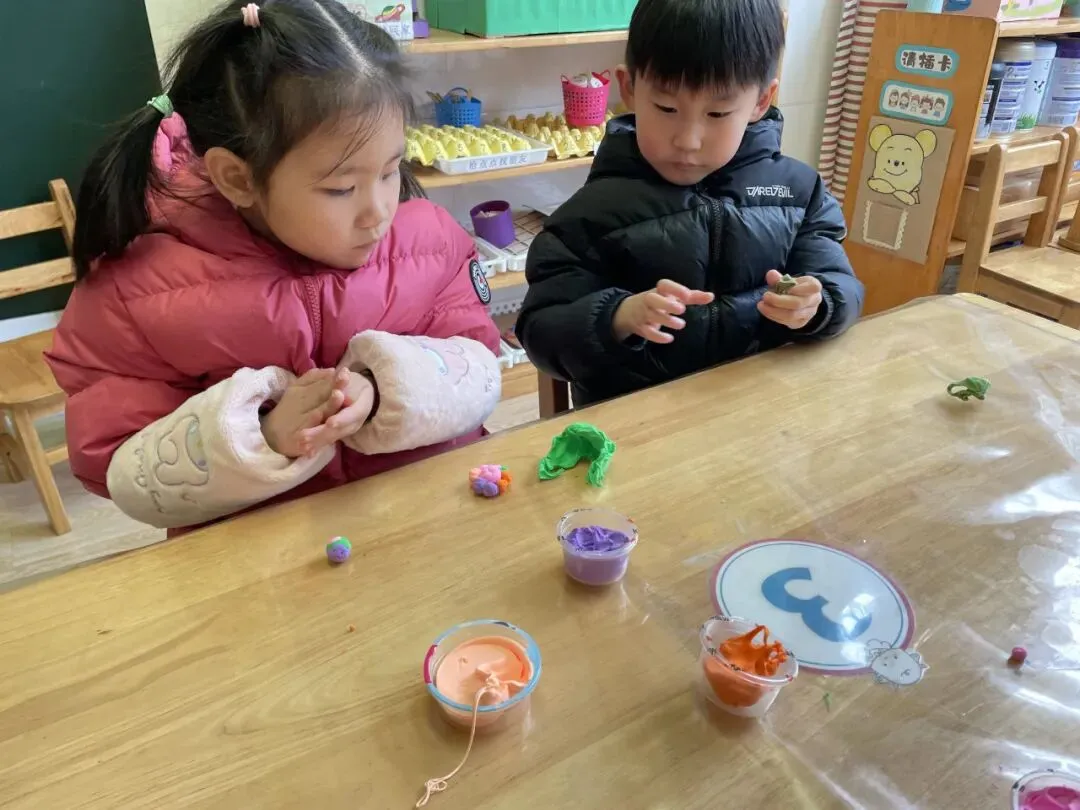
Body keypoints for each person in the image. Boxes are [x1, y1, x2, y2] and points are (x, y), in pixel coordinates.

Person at [46, 0, 501, 532]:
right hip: (264, 563)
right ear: (238, 179)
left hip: (425, 532)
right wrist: (260, 436)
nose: (379, 211)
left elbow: (479, 368)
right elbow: (124, 470)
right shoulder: (138, 293)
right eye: (341, 188)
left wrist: (386, 389)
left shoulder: (428, 242)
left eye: (390, 170)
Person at [517, 0, 864, 407]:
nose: (688, 140)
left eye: (717, 113)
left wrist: (818, 304)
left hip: (762, 411)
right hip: (640, 423)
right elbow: (541, 331)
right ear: (629, 88)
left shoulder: (798, 193)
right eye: (666, 108)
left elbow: (841, 285)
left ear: (761, 100)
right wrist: (617, 317)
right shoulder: (591, 214)